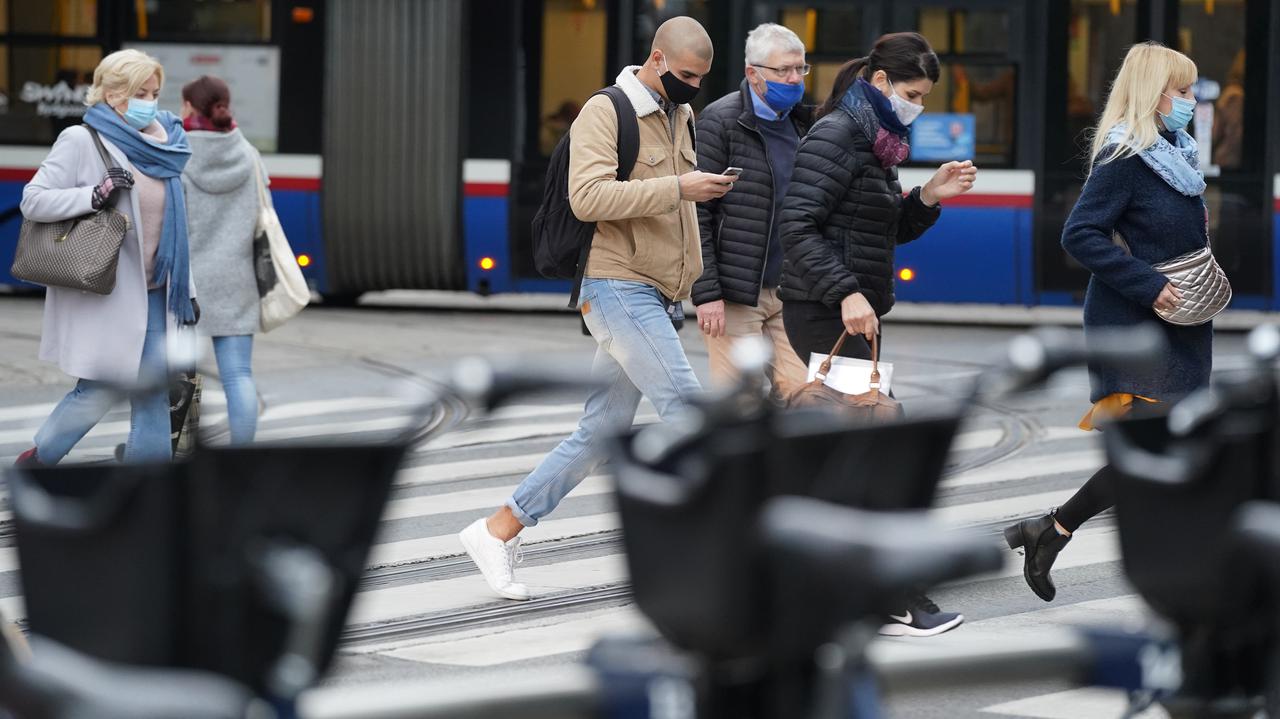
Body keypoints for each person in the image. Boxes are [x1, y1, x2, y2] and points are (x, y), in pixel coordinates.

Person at [459, 17, 734, 600]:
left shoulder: (679, 113)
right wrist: (679, 189)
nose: (694, 88)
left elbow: (674, 206)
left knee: (600, 431)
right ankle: (721, 559)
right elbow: (585, 199)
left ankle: (497, 529)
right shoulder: (605, 111)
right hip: (616, 286)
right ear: (657, 59)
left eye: (702, 79)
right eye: (686, 75)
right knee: (690, 414)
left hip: (659, 293)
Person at [777, 32, 977, 637]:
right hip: (825, 313)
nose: (918, 105)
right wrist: (846, 291)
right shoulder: (840, 134)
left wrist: (926, 197)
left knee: (852, 457)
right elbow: (796, 226)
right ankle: (898, 595)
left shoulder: (875, 139)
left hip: (848, 312)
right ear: (882, 83)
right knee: (882, 448)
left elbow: (877, 232)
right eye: (913, 93)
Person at [1004, 42, 1209, 603]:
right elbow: (1080, 234)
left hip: (1179, 323)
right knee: (1161, 447)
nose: (1193, 101)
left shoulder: (1178, 154)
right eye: (1184, 91)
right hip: (1136, 326)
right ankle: (1178, 573)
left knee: (1165, 450)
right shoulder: (1126, 158)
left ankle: (1051, 530)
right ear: (1155, 94)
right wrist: (1152, 285)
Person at [16, 48, 196, 467]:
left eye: (154, 91)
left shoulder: (166, 142)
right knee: (96, 389)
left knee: (153, 390)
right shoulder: (81, 140)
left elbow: (178, 229)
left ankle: (150, 489)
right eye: (141, 92)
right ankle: (40, 459)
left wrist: (189, 289)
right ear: (113, 93)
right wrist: (93, 196)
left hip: (158, 293)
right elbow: (33, 200)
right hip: (108, 291)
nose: (151, 101)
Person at [691, 22, 812, 400]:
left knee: (804, 394)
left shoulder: (804, 122)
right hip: (736, 294)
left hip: (792, 291)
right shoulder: (720, 121)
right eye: (783, 70)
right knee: (739, 402)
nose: (794, 79)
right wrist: (706, 293)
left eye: (800, 68)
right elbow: (697, 213)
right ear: (753, 73)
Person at [180, 75, 265, 445]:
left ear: (189, 107)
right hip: (238, 277)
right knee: (238, 376)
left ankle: (181, 450)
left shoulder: (177, 153)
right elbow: (265, 211)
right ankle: (241, 456)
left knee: (185, 377)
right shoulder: (248, 153)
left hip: (189, 284)